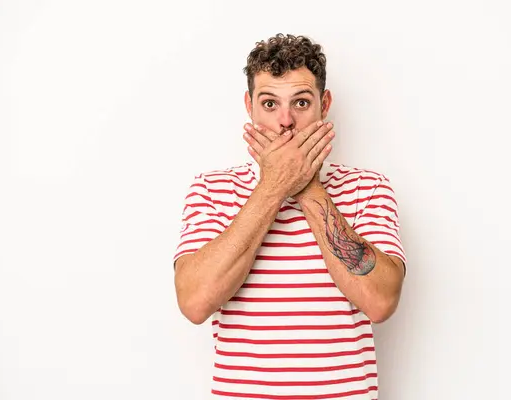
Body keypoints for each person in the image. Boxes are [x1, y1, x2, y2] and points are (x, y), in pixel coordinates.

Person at [172, 33, 407, 400]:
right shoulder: (211, 190)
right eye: (269, 103)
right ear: (249, 106)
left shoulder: (368, 188)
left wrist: (305, 185)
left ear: (324, 104)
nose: (286, 121)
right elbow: (195, 302)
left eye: (300, 102)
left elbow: (379, 302)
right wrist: (273, 187)